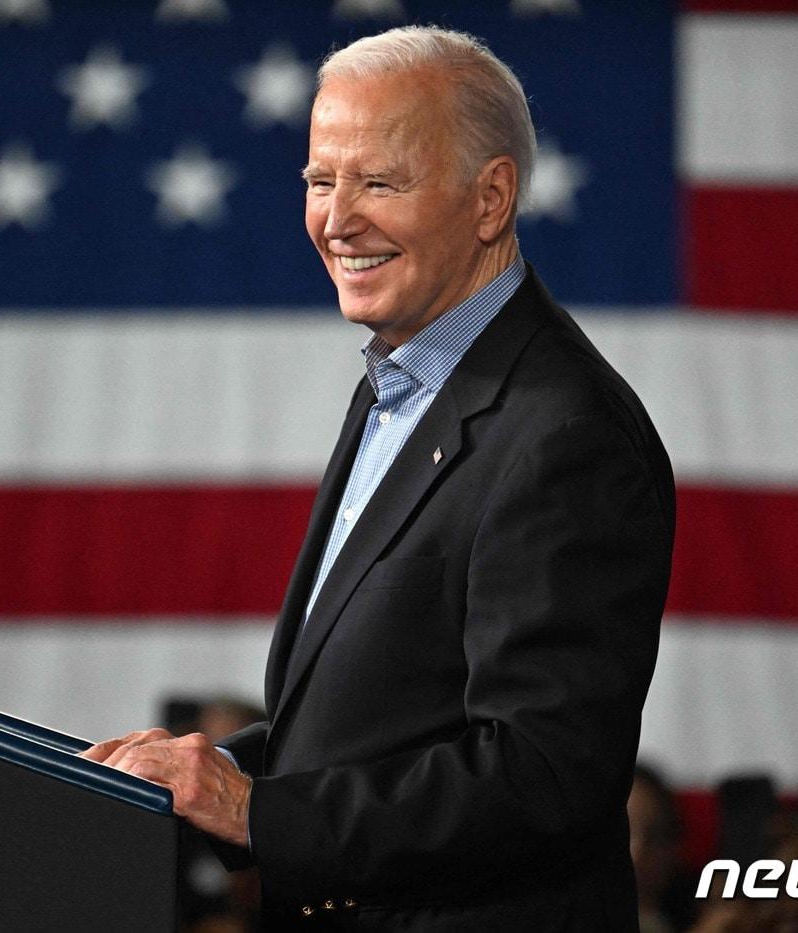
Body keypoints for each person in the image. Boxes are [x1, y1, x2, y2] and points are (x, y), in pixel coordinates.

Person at [83, 25, 675, 929]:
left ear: (491, 198)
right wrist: (200, 776)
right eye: (321, 181)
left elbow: (542, 772)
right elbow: (375, 724)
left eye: (379, 182)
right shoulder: (406, 383)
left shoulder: (565, 431)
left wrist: (254, 810)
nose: (336, 218)